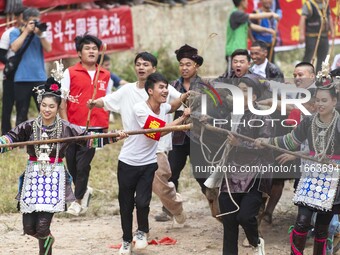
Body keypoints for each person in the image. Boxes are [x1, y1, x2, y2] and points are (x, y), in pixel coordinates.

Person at [0, 77, 124, 255]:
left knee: (42, 227)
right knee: (29, 227)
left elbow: (88, 138)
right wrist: (2, 142)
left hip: (53, 178)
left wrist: (113, 136)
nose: (47, 109)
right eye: (44, 105)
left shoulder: (66, 128)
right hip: (33, 178)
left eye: (51, 106)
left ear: (58, 108)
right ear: (39, 105)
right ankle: (49, 240)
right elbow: (10, 138)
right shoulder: (28, 126)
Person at [88, 72, 190, 255]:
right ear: (150, 91)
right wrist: (182, 118)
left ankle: (142, 231)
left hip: (149, 163)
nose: (166, 90)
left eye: (166, 87)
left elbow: (173, 106)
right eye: (161, 87)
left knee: (143, 202)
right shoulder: (140, 109)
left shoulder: (163, 106)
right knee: (126, 204)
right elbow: (157, 132)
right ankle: (126, 240)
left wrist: (185, 98)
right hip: (128, 162)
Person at [255, 82, 340, 255]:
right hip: (310, 174)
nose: (320, 104)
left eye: (325, 100)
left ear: (334, 101)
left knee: (322, 227)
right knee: (302, 221)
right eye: (317, 100)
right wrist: (267, 142)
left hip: (333, 178)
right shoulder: (308, 121)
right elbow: (290, 141)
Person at [218, 74, 274, 255]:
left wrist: (240, 144)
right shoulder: (231, 114)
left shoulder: (263, 116)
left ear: (254, 97)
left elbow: (265, 145)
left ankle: (256, 241)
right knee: (228, 218)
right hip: (232, 170)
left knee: (245, 216)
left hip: (255, 170)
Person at [59, 34, 113, 216]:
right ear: (79, 53)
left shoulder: (105, 74)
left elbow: (108, 101)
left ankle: (77, 200)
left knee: (83, 164)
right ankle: (84, 190)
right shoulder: (70, 73)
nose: (92, 51)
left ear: (99, 52)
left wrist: (106, 125)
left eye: (94, 48)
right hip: (72, 128)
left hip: (95, 129)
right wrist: (66, 125)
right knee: (72, 164)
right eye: (87, 48)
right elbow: (62, 101)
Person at [9, 7, 52, 126]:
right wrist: (26, 31)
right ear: (25, 21)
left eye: (37, 21)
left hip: (39, 78)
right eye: (33, 22)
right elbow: (14, 47)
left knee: (45, 111)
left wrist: (41, 34)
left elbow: (49, 49)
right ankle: (22, 141)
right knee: (21, 113)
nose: (35, 25)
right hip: (21, 79)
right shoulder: (15, 32)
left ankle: (46, 139)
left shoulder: (40, 34)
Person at [225, 0, 279, 74]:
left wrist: (269, 30)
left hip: (241, 52)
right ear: (242, 2)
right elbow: (254, 16)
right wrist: (271, 14)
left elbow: (252, 26)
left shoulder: (242, 16)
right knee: (231, 76)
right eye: (246, 1)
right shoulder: (236, 14)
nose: (247, 3)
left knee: (240, 77)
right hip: (233, 53)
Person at [0, 6, 26, 134]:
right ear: (16, 18)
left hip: (26, 74)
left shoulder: (34, 34)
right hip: (11, 74)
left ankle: (21, 134)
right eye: (22, 16)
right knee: (7, 106)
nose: (24, 19)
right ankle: (5, 134)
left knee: (22, 106)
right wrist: (11, 64)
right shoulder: (9, 33)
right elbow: (1, 54)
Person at [299, 0, 334, 73]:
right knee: (309, 56)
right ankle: (303, 74)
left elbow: (329, 17)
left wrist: (332, 31)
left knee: (323, 58)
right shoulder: (308, 4)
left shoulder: (326, 3)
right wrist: (301, 34)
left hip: (324, 35)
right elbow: (302, 18)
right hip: (312, 36)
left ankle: (319, 77)